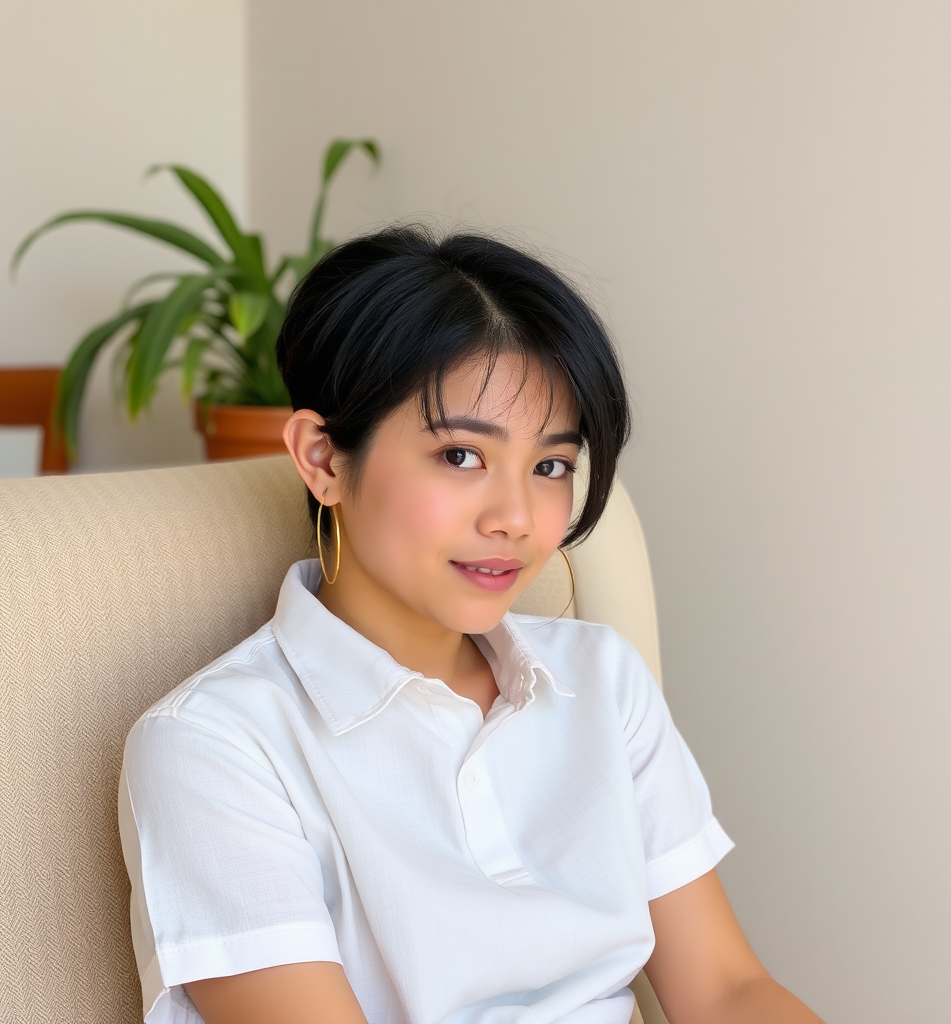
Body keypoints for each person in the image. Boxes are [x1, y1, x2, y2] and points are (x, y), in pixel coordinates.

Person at [119, 227, 823, 1024]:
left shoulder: (599, 678)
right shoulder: (215, 746)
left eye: (551, 465)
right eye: (460, 456)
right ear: (321, 458)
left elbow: (730, 991)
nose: (518, 519)